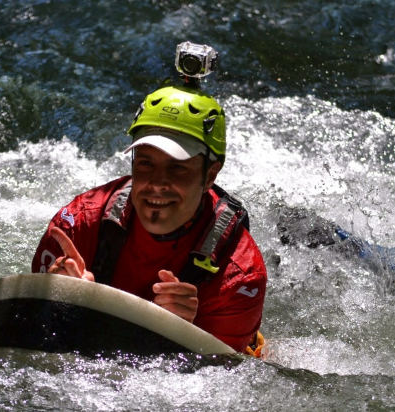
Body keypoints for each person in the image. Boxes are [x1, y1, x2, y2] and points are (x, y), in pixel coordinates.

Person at [31, 85, 267, 354]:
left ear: (210, 175)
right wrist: (59, 299)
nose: (157, 183)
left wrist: (182, 334)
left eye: (177, 167)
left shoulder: (238, 275)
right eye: (146, 163)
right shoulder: (77, 227)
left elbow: (221, 376)